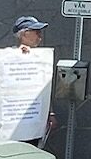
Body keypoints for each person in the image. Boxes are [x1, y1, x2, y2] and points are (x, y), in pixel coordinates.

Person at [10, 15, 58, 144]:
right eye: (36, 32)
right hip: (14, 121)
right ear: (24, 34)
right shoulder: (7, 58)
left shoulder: (40, 58)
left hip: (34, 119)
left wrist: (50, 113)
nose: (40, 36)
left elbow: (42, 89)